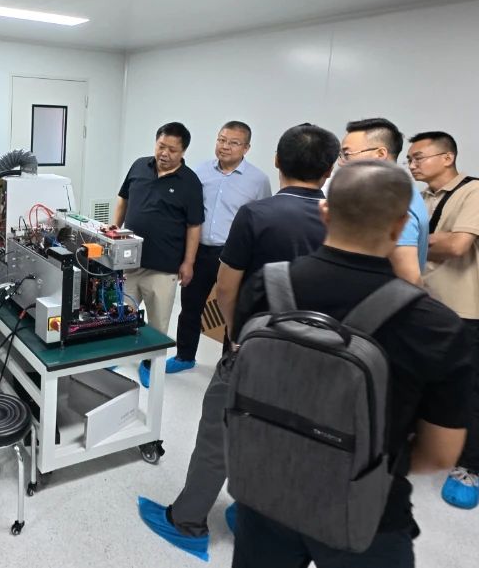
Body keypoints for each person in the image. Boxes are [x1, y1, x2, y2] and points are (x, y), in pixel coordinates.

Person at [230, 161, 475, 568]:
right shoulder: (435, 326)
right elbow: (440, 455)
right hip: (365, 514)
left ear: (324, 212)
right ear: (401, 225)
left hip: (264, 490)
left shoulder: (266, 286)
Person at [136, 123, 340, 561]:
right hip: (315, 358)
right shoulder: (344, 220)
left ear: (276, 160)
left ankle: (187, 522)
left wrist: (234, 336)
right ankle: (251, 516)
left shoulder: (259, 213)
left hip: (257, 348)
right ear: (329, 169)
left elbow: (227, 288)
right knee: (277, 442)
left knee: (218, 435)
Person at [407, 131, 479, 511]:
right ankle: (417, 445)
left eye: (418, 157)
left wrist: (405, 238)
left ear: (447, 158)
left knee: (464, 390)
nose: (412, 164)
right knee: (413, 380)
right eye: (409, 159)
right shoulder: (419, 198)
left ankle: (468, 468)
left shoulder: (477, 192)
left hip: (462, 310)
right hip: (419, 303)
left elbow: (458, 245)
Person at [168, 121, 271, 377]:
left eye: (233, 143)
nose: (225, 146)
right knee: (190, 306)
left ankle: (228, 363)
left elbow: (263, 219)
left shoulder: (258, 180)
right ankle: (184, 356)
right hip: (200, 251)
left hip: (234, 255)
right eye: (221, 140)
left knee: (232, 311)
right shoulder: (200, 171)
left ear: (246, 148)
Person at [114, 122, 204, 388]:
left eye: (172, 150)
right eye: (161, 146)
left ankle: (148, 364)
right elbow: (123, 199)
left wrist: (188, 262)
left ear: (183, 151)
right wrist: (112, 233)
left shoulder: (190, 182)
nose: (164, 153)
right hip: (129, 260)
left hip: (164, 265)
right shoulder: (139, 166)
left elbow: (194, 226)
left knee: (157, 324)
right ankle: (116, 355)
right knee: (120, 313)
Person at [340, 118, 428, 284]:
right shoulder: (394, 192)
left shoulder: (392, 201)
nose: (341, 163)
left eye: (347, 154)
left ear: (380, 154)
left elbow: (409, 277)